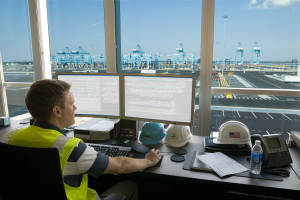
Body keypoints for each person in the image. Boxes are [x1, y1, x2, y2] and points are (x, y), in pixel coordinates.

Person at [1, 79, 162, 200]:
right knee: (130, 185)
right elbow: (119, 166)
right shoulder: (71, 148)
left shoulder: (10, 138)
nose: (75, 108)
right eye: (71, 104)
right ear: (57, 111)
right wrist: (149, 161)